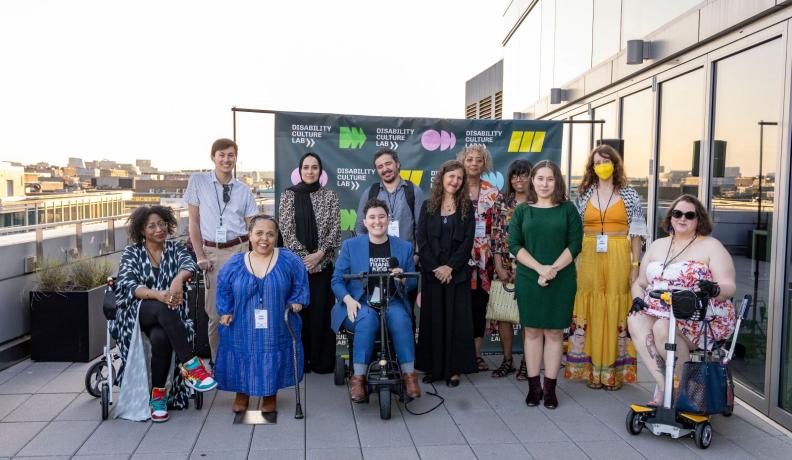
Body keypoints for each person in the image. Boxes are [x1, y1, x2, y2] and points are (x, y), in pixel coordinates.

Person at [628, 195, 736, 406]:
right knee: (635, 319)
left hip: (697, 316)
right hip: (659, 308)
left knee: (661, 328)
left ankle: (678, 390)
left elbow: (729, 286)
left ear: (699, 220)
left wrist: (714, 289)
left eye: (689, 215)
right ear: (670, 217)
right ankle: (667, 386)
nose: (682, 219)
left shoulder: (711, 246)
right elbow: (640, 283)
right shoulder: (658, 245)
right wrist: (637, 299)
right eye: (677, 214)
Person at [111, 205, 217, 423]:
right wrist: (159, 294)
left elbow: (190, 264)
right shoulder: (133, 253)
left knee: (160, 337)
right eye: (152, 226)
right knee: (161, 306)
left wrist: (178, 280)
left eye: (162, 224)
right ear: (142, 230)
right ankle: (191, 366)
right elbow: (129, 285)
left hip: (167, 316)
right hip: (136, 313)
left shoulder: (175, 249)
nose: (159, 229)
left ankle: (158, 398)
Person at [565, 145, 646, 390]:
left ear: (615, 164)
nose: (602, 165)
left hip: (619, 253)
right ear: (592, 166)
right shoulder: (582, 194)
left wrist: (635, 265)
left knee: (616, 305)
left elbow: (637, 233)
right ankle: (590, 369)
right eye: (597, 161)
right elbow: (575, 231)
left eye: (607, 160)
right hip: (589, 255)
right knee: (590, 307)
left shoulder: (630, 194)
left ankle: (613, 371)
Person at [214, 215, 310, 414]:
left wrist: (297, 300)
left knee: (270, 350)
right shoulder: (235, 263)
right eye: (258, 233)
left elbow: (300, 281)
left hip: (276, 320)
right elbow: (223, 288)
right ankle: (242, 393)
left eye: (270, 234)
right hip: (241, 320)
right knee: (242, 350)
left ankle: (269, 394)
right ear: (249, 235)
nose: (264, 239)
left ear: (276, 237)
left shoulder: (288, 259)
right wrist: (225, 311)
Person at [332, 199, 422, 402]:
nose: (377, 221)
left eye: (381, 216)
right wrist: (348, 300)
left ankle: (409, 376)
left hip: (392, 300)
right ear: (365, 221)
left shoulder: (404, 247)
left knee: (400, 319)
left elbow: (411, 285)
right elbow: (337, 280)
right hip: (360, 302)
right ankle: (359, 379)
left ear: (388, 219)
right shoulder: (350, 246)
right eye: (372, 217)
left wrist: (403, 279)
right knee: (367, 319)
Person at [509, 160, 582, 409]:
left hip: (561, 278)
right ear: (533, 180)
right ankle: (533, 387)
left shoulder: (568, 210)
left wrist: (552, 270)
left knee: (554, 332)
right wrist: (540, 269)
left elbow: (575, 245)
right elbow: (514, 245)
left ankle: (550, 388)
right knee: (531, 331)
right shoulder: (522, 211)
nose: (544, 183)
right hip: (530, 277)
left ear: (557, 182)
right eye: (540, 178)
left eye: (550, 179)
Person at [185, 138, 259, 362]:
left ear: (236, 159)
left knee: (245, 309)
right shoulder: (198, 181)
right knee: (217, 313)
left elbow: (253, 225)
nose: (227, 159)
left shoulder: (243, 190)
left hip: (240, 249)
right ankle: (219, 363)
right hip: (213, 253)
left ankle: (244, 360)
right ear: (213, 157)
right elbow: (193, 222)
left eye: (231, 155)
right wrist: (200, 256)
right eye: (222, 155)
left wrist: (256, 256)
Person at [415, 160, 477, 386]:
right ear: (442, 177)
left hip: (456, 274)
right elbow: (421, 240)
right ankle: (433, 367)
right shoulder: (428, 205)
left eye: (460, 178)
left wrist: (450, 267)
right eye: (452, 176)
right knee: (433, 321)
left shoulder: (467, 207)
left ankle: (453, 369)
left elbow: (467, 242)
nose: (455, 181)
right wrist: (436, 268)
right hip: (432, 274)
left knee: (456, 322)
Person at [279, 152, 341, 374]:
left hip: (323, 267)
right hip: (297, 268)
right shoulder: (288, 196)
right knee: (299, 313)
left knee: (321, 313)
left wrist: (320, 255)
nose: (310, 171)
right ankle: (300, 362)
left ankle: (321, 362)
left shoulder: (330, 196)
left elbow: (335, 229)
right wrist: (305, 259)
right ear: (300, 170)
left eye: (315, 167)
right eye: (306, 167)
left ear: (320, 171)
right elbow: (285, 231)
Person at [458, 144, 501, 371]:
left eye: (478, 160)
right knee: (458, 305)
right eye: (469, 159)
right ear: (463, 162)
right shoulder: (454, 189)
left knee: (479, 306)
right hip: (458, 258)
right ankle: (458, 354)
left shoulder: (493, 193)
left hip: (485, 260)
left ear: (485, 164)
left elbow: (499, 229)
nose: (473, 163)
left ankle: (475, 356)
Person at [489, 159, 532, 380]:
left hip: (531, 266)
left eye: (523, 175)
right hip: (504, 264)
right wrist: (498, 265)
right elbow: (495, 235)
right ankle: (508, 361)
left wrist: (526, 266)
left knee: (527, 316)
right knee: (503, 315)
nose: (519, 179)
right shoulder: (502, 202)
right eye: (515, 176)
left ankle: (528, 362)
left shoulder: (538, 202)